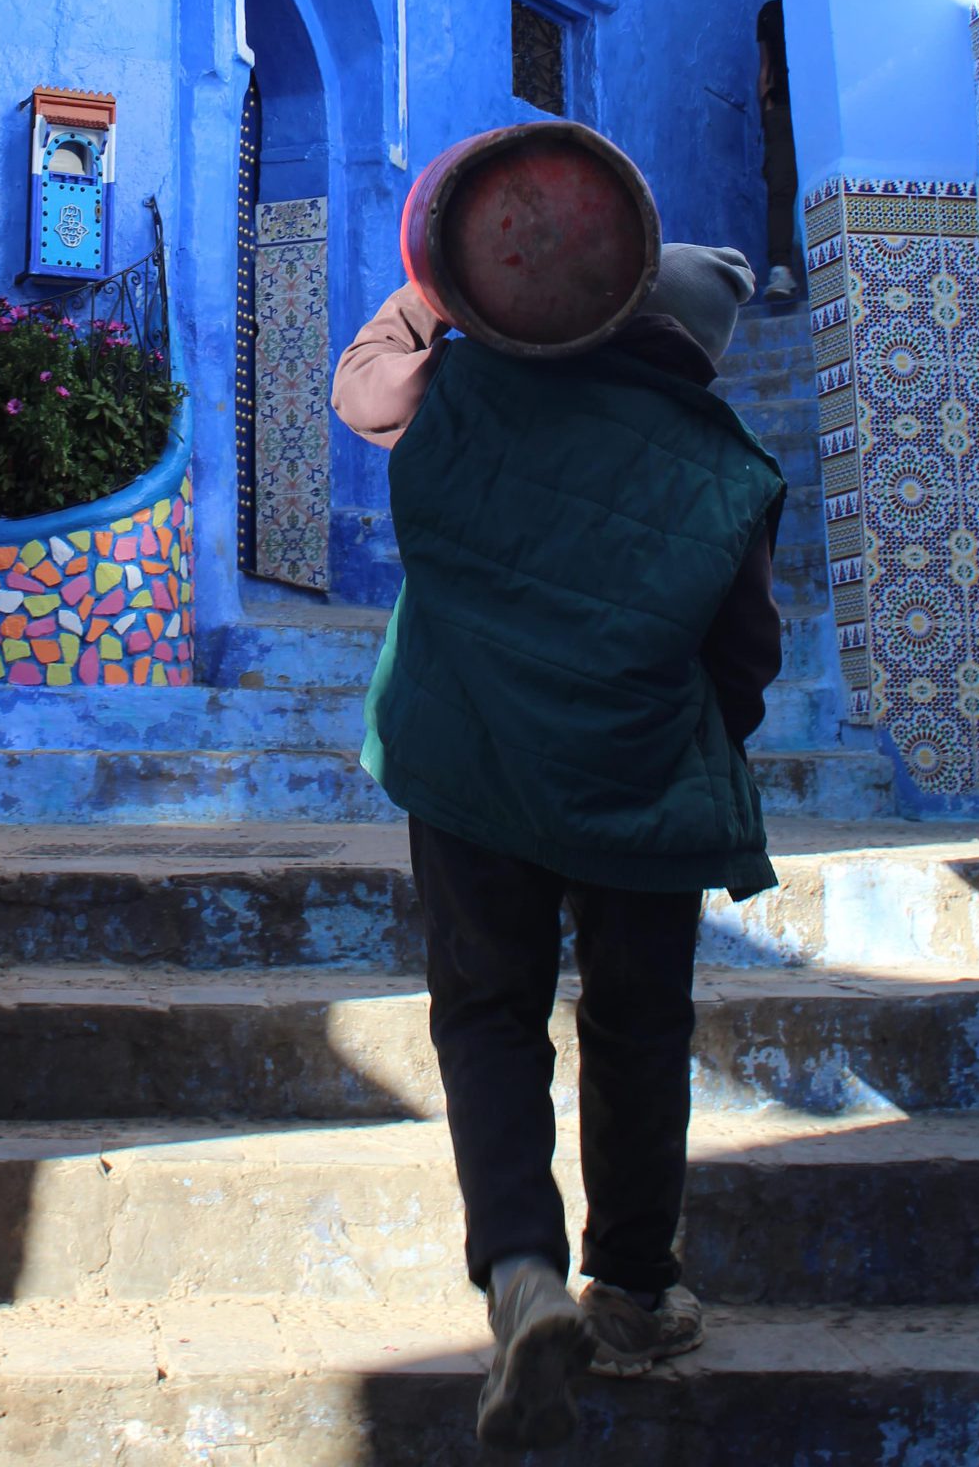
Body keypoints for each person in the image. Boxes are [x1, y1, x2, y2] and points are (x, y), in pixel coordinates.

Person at [332, 244, 785, 1451]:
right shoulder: (728, 464)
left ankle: (522, 1272)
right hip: (642, 787)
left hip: (468, 767)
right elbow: (744, 661)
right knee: (640, 1028)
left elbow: (362, 386)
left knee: (486, 1016)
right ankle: (633, 1290)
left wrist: (441, 283)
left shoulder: (473, 388)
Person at [757, 0, 799, 302]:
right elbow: (765, 66)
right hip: (782, 111)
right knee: (781, 188)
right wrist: (766, 111)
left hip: (816, 109)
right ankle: (781, 270)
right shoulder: (769, 13)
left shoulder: (815, 6)